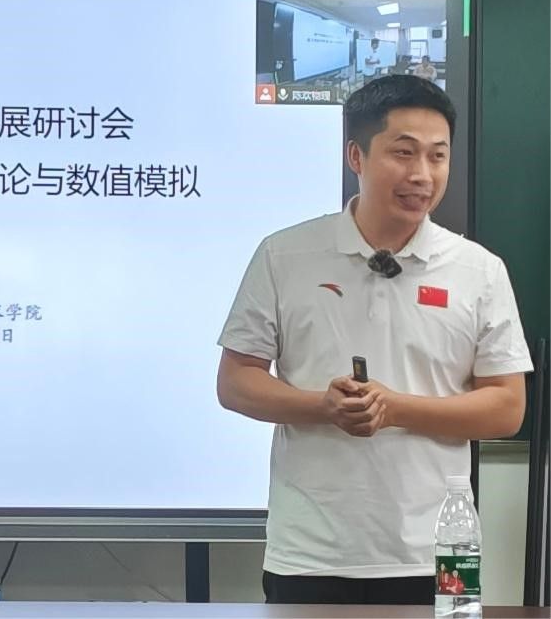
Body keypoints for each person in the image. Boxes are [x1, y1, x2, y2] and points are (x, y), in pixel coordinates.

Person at [216, 75, 531, 605]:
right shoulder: (285, 255)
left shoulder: (479, 270)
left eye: (437, 156)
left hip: (443, 549)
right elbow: (236, 382)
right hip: (310, 551)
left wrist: (394, 408)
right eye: (403, 153)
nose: (422, 175)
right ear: (355, 156)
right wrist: (323, 406)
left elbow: (506, 408)